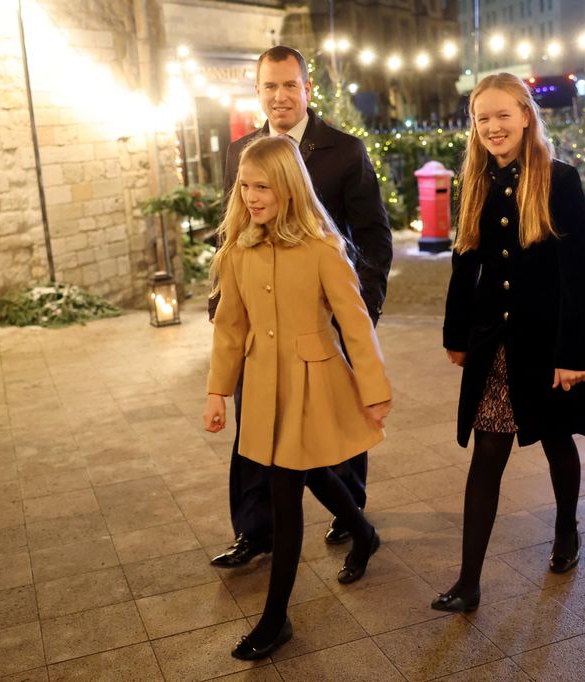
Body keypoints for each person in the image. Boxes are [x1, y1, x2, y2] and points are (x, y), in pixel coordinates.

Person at [203, 135, 392, 659]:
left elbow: (355, 325)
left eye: (262, 186)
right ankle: (362, 529)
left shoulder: (322, 248)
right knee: (306, 472)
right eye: (244, 187)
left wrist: (374, 389)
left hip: (312, 381)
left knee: (286, 492)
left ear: (288, 188)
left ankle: (275, 618)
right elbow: (230, 328)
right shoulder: (239, 251)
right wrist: (218, 391)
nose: (251, 197)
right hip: (264, 385)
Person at [433, 73, 585, 613]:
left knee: (558, 440)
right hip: (495, 341)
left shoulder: (559, 178)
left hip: (549, 339)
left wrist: (573, 353)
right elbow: (464, 263)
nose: (492, 126)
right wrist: (457, 332)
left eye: (502, 115)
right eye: (482, 118)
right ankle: (468, 580)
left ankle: (566, 528)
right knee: (488, 452)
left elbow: (579, 273)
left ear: (526, 116)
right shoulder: (475, 182)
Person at [209, 46, 392, 568]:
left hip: (326, 320)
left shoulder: (343, 150)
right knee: (258, 428)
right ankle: (254, 530)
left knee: (333, 429)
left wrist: (359, 310)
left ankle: (348, 512)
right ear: (258, 92)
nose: (280, 95)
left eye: (290, 85)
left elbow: (375, 239)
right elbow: (234, 232)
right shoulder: (240, 151)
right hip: (262, 328)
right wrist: (227, 303)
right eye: (270, 86)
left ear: (307, 88)